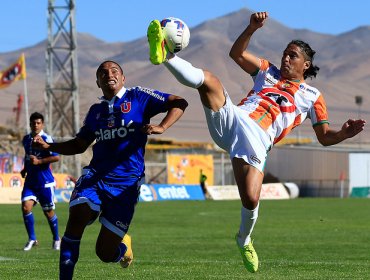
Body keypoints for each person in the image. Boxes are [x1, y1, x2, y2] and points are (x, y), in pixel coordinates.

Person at [147, 12, 366, 273]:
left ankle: (244, 239)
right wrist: (251, 29)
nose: (285, 58)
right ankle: (165, 54)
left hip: (258, 140)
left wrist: (344, 134)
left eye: (292, 55)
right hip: (235, 118)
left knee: (251, 199)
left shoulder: (313, 96)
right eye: (285, 53)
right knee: (210, 81)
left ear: (305, 65)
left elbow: (324, 137)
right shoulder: (267, 71)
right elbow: (236, 54)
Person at [33, 60, 188, 279]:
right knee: (77, 215)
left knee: (104, 253)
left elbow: (179, 102)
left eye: (114, 71)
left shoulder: (139, 97)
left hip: (126, 183)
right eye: (102, 73)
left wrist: (162, 126)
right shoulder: (96, 112)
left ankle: (123, 249)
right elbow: (79, 145)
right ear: (98, 82)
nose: (109, 74)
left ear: (123, 78)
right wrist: (50, 146)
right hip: (95, 177)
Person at [20, 112, 61, 251]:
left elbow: (56, 157)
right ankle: (32, 238)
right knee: (26, 207)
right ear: (30, 124)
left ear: (42, 124)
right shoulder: (26, 139)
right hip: (30, 181)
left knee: (48, 212)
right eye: (33, 123)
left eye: (38, 123)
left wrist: (40, 161)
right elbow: (28, 156)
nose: (35, 125)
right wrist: (25, 169)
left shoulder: (46, 138)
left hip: (45, 182)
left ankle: (56, 239)